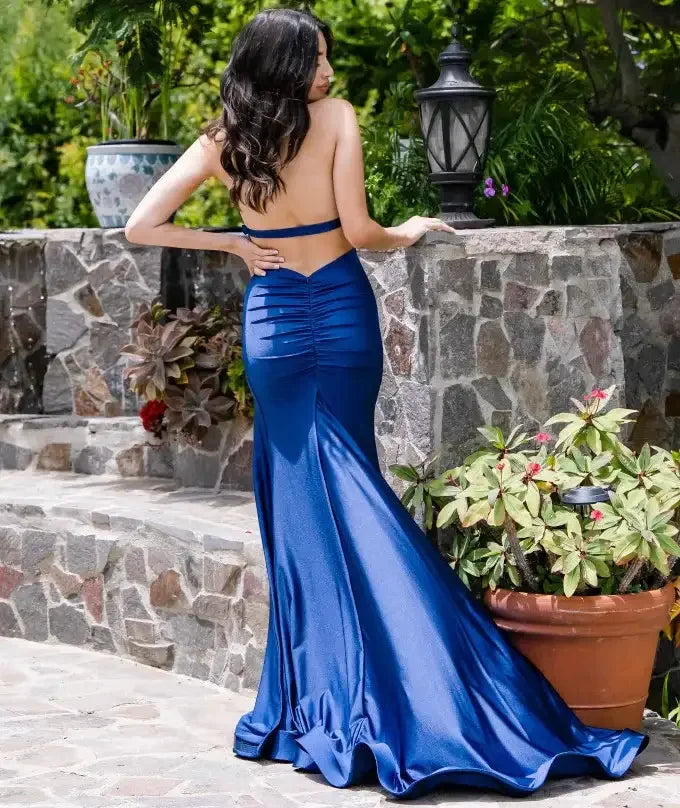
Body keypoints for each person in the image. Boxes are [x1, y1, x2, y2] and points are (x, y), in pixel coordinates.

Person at [124, 6, 649, 800]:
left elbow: (141, 225)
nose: (327, 71)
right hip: (339, 312)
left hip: (274, 324)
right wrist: (408, 230)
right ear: (283, 63)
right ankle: (409, 678)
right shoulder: (337, 119)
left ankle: (318, 699)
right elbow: (362, 230)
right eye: (315, 58)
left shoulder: (224, 141)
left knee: (304, 506)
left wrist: (230, 241)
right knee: (354, 488)